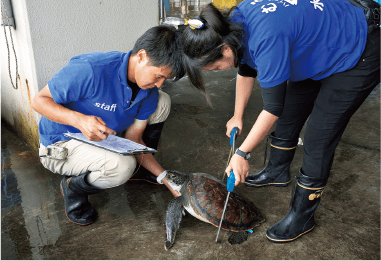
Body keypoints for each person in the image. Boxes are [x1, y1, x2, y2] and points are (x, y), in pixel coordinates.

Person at [180, 1, 381, 243]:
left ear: (224, 49)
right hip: (316, 44)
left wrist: (242, 153)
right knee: (290, 112)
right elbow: (246, 68)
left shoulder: (267, 37)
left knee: (318, 137)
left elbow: (271, 109)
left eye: (213, 67)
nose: (215, 71)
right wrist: (237, 115)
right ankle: (277, 172)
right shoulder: (233, 26)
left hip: (358, 46)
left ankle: (302, 215)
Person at [31, 25, 185, 226]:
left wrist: (165, 178)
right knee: (122, 166)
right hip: (60, 143)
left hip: (104, 139)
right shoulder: (91, 69)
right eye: (158, 75)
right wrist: (79, 120)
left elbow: (133, 140)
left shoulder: (149, 91)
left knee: (162, 101)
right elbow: (38, 101)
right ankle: (72, 188)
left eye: (166, 78)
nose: (159, 84)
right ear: (141, 56)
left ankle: (140, 170)